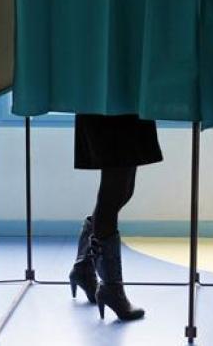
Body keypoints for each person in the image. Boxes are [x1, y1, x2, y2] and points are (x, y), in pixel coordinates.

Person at [67, 114, 162, 321]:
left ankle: (84, 267)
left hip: (121, 101)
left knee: (122, 190)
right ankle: (111, 289)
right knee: (115, 191)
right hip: (113, 103)